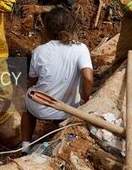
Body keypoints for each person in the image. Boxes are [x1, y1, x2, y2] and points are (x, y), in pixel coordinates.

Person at [21, 8, 93, 153]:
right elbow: (88, 77)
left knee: (27, 105)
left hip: (39, 108)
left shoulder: (39, 51)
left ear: (47, 28)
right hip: (68, 109)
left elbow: (33, 80)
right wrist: (85, 99)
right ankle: (58, 129)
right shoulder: (80, 48)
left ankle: (25, 146)